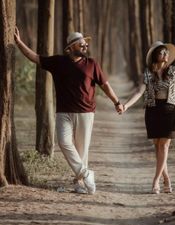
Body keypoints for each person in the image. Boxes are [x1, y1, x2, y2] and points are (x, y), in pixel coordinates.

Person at [14, 28, 123, 194]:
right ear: (71, 47)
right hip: (63, 112)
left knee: (82, 150)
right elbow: (35, 58)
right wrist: (19, 43)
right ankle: (86, 174)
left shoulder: (92, 64)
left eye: (86, 44)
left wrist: (117, 102)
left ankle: (80, 184)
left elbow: (105, 85)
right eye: (81, 44)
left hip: (86, 113)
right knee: (64, 142)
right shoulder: (59, 62)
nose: (85, 46)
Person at [121, 41, 175, 194]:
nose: (165, 55)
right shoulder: (148, 73)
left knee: (164, 146)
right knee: (158, 146)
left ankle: (155, 181)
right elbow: (139, 91)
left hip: (169, 110)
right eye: (162, 52)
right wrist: (127, 105)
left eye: (166, 52)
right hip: (153, 111)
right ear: (156, 55)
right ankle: (167, 179)